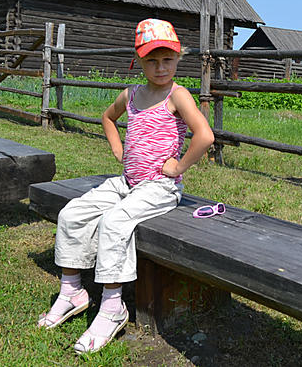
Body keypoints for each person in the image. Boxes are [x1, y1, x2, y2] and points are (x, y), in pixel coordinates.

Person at [37, 19, 214, 354]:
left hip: (159, 187)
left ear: (178, 59)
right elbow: (108, 117)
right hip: (128, 182)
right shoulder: (132, 95)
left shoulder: (178, 96)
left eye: (167, 60)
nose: (160, 68)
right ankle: (72, 289)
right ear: (138, 59)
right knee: (72, 213)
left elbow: (204, 136)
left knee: (114, 222)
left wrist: (178, 165)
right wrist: (118, 148)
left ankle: (113, 305)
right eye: (151, 60)